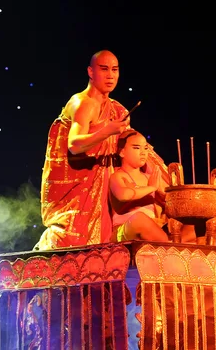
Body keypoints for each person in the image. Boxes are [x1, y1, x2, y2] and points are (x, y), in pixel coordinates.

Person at [34, 50, 169, 250]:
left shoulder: (119, 110)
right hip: (79, 185)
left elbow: (129, 145)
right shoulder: (84, 103)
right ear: (90, 71)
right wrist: (107, 131)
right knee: (75, 238)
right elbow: (74, 144)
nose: (110, 75)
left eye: (115, 70)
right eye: (104, 69)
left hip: (105, 181)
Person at [109, 130, 170, 242]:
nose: (143, 152)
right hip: (125, 229)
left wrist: (163, 195)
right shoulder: (117, 176)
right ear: (122, 152)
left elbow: (170, 200)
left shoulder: (150, 177)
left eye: (145, 148)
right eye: (137, 148)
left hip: (154, 228)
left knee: (193, 225)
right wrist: (151, 188)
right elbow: (123, 195)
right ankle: (168, 245)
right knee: (139, 219)